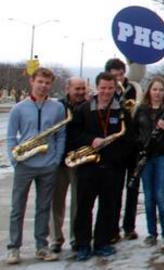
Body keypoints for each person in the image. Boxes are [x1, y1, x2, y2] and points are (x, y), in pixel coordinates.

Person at [69, 72, 134, 261]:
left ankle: (102, 243)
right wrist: (91, 140)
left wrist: (117, 156)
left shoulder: (122, 111)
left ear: (115, 88)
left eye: (110, 88)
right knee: (83, 208)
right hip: (88, 166)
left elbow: (129, 140)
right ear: (97, 87)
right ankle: (82, 244)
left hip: (112, 168)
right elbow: (74, 136)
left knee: (108, 207)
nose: (106, 92)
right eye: (103, 88)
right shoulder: (82, 109)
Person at [5, 68, 66, 264]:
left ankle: (42, 246)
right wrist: (15, 159)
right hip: (25, 163)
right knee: (17, 208)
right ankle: (14, 248)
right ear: (32, 82)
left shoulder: (57, 108)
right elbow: (10, 136)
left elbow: (60, 134)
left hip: (48, 165)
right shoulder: (18, 108)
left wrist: (56, 158)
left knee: (43, 207)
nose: (43, 86)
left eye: (47, 83)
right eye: (40, 82)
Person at [133, 77, 164, 250]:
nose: (157, 93)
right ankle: (151, 233)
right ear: (149, 91)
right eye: (155, 89)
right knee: (148, 195)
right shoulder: (141, 110)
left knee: (160, 194)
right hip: (146, 157)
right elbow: (134, 133)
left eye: (161, 90)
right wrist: (142, 145)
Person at [105, 59, 143, 242]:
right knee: (114, 190)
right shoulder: (108, 92)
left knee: (133, 188)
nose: (118, 78)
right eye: (114, 75)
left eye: (121, 74)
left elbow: (139, 109)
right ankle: (112, 228)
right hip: (116, 147)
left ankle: (129, 227)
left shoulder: (134, 89)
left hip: (134, 145)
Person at [49, 77, 88, 253]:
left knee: (78, 202)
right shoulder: (58, 106)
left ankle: (75, 237)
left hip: (79, 160)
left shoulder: (88, 106)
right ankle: (56, 239)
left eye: (82, 89)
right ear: (68, 88)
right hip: (59, 160)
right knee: (56, 202)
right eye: (76, 89)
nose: (80, 92)